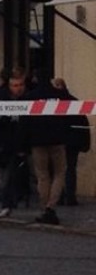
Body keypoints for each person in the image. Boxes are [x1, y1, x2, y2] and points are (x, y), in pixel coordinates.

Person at [25, 77, 69, 225]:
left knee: (42, 175)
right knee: (60, 172)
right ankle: (51, 206)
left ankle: (44, 208)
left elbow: (25, 121)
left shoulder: (31, 96)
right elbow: (72, 107)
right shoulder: (59, 95)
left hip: (37, 141)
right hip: (57, 140)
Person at [0, 71, 30, 219]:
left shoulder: (28, 99)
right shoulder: (0, 98)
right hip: (5, 143)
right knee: (6, 176)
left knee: (21, 175)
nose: (18, 88)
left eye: (20, 85)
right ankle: (7, 204)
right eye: (14, 85)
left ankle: (18, 199)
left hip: (23, 142)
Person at [52, 78, 91, 206]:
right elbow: (83, 122)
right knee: (70, 169)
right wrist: (84, 142)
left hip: (59, 141)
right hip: (73, 142)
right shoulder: (73, 101)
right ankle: (70, 197)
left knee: (58, 170)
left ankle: (59, 197)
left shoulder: (52, 103)